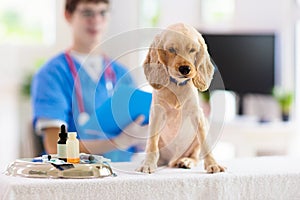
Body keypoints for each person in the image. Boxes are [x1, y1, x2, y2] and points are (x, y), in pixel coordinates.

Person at [31, 0, 148, 161]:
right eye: (87, 13)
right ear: (68, 15)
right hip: (74, 177)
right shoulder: (52, 74)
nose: (96, 20)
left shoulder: (121, 73)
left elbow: (139, 137)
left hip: (121, 176)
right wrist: (116, 143)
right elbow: (54, 146)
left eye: (102, 13)